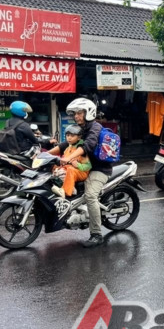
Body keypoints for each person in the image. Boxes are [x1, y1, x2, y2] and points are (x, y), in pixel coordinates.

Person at [61, 98, 113, 248]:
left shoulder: (95, 127)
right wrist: (44, 154)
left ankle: (96, 234)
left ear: (88, 112)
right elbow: (65, 144)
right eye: (74, 114)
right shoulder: (79, 129)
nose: (76, 116)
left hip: (99, 169)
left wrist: (69, 157)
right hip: (83, 168)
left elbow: (89, 145)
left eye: (79, 113)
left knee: (90, 196)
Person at [48, 125, 91, 199]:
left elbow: (88, 166)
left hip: (81, 172)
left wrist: (78, 165)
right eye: (67, 135)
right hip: (69, 170)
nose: (69, 138)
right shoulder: (68, 148)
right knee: (53, 167)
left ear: (79, 137)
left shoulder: (80, 148)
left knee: (71, 170)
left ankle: (66, 192)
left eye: (72, 136)